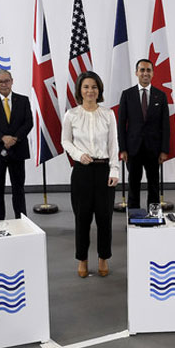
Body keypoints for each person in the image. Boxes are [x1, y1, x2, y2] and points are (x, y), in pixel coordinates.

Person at [62, 71, 119, 278]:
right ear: (80, 90)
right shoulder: (72, 115)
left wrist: (115, 170)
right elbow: (65, 141)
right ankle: (82, 259)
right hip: (82, 172)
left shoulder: (108, 114)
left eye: (94, 87)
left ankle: (103, 257)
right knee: (82, 218)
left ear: (99, 90)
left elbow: (113, 144)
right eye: (86, 87)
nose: (90, 91)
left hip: (104, 171)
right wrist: (78, 154)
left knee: (105, 218)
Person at [0, 69, 33, 221]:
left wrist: (15, 138)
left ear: (12, 81)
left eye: (6, 81)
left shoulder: (23, 100)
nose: (3, 84)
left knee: (19, 189)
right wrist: (3, 138)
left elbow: (28, 122)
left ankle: (21, 220)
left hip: (18, 149)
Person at [117, 59, 170, 209]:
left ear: (153, 73)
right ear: (136, 73)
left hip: (154, 149)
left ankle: (153, 216)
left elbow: (165, 125)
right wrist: (123, 149)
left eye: (148, 70)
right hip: (133, 149)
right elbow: (121, 124)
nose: (145, 73)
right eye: (142, 70)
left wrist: (164, 150)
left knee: (154, 183)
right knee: (133, 183)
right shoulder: (127, 95)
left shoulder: (161, 95)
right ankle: (133, 216)